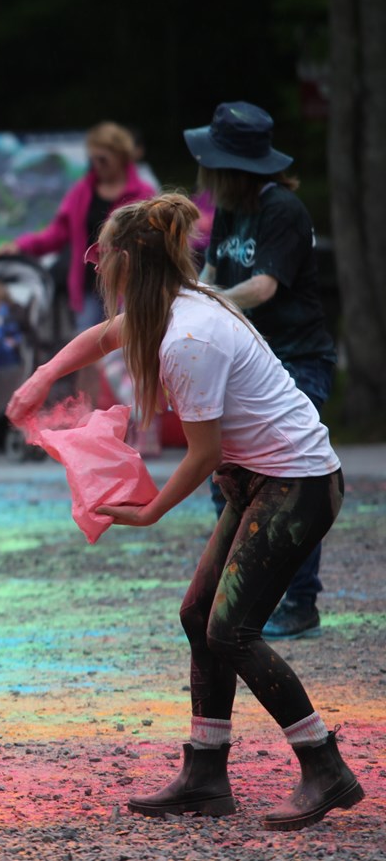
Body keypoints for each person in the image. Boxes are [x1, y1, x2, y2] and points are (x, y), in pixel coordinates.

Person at [7, 194, 363, 832]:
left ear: (127, 263)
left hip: (297, 484)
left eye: (99, 255)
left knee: (233, 629)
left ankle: (324, 765)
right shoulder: (168, 305)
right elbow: (104, 334)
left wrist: (148, 513)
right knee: (200, 614)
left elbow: (203, 456)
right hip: (261, 481)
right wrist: (42, 377)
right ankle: (205, 773)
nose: (93, 266)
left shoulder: (189, 337)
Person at [189, 101, 337, 641]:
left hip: (297, 359)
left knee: (294, 479)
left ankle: (299, 603)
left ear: (232, 167)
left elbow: (263, 286)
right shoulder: (230, 206)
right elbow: (210, 273)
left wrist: (209, 304)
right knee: (229, 479)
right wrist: (190, 299)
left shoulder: (283, 210)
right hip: (245, 362)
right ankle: (241, 595)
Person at [0, 122, 153, 398]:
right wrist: (20, 247)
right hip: (89, 288)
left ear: (120, 156)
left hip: (128, 287)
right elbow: (57, 233)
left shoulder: (141, 194)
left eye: (103, 158)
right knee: (86, 355)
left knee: (130, 355)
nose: (97, 164)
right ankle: (88, 418)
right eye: (93, 158)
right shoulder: (82, 192)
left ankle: (133, 419)